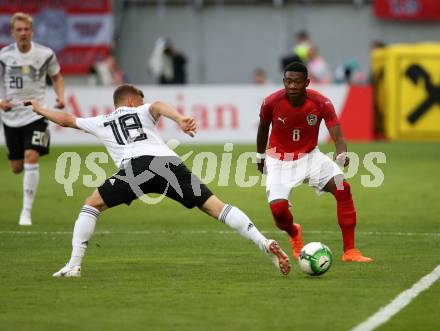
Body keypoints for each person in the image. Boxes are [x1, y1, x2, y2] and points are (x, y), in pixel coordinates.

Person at [24, 83, 291, 277]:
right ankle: (263, 242)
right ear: (130, 101)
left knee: (92, 205)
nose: (143, 104)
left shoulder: (102, 121)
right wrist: (179, 118)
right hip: (168, 163)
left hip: (138, 167)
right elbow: (159, 106)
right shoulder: (141, 111)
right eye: (140, 100)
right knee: (216, 207)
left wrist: (40, 109)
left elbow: (68, 119)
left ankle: (73, 265)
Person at [256, 62, 373, 263]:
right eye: (288, 81)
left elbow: (336, 132)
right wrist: (260, 156)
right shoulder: (271, 102)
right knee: (279, 212)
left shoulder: (321, 103)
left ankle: (350, 252)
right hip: (279, 161)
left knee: (342, 188)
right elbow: (262, 128)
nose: (292, 86)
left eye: (297, 82)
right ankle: (294, 233)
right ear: (284, 81)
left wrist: (342, 153)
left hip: (311, 158)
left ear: (307, 82)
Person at [0, 12, 65, 226]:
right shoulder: (4, 56)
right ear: (12, 32)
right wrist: (1, 100)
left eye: (26, 29)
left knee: (31, 156)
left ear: (32, 31)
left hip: (37, 113)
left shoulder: (45, 54)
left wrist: (60, 97)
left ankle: (26, 212)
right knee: (16, 167)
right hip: (11, 117)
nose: (23, 33)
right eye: (19, 30)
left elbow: (56, 76)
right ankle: (20, 156)